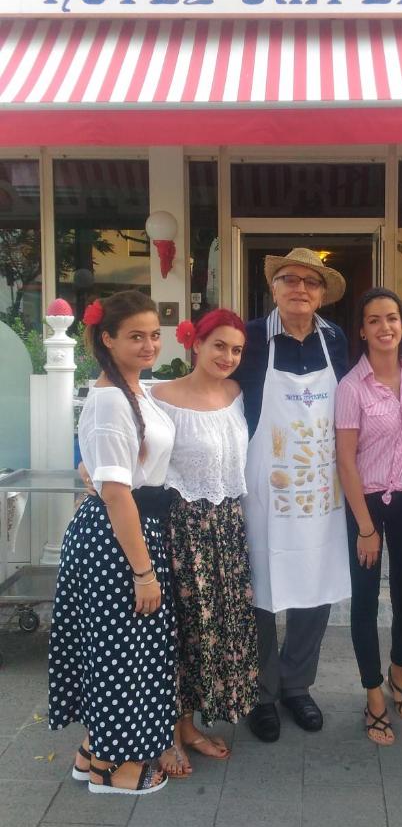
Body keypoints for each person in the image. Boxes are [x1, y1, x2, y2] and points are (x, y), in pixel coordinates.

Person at [49, 291, 177, 796]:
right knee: (120, 652)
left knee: (125, 649)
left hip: (131, 530)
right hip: (118, 539)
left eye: (153, 334)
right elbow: (118, 491)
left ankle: (92, 754)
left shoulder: (135, 390)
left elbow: (101, 468)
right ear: (107, 339)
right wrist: (143, 572)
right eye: (135, 336)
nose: (148, 345)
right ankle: (111, 768)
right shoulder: (108, 399)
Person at [235, 247, 351, 742]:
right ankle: (262, 691)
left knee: (315, 582)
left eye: (310, 281)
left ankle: (297, 685)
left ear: (322, 294)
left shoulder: (337, 340)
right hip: (264, 483)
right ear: (274, 289)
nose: (300, 288)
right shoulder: (248, 337)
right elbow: (211, 389)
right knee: (260, 588)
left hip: (321, 485)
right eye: (289, 279)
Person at [150, 309, 259, 776]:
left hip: (228, 529)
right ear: (196, 343)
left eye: (236, 349)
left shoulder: (237, 395)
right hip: (181, 531)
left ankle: (188, 726)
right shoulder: (158, 396)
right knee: (176, 632)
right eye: (219, 345)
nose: (228, 356)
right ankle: (164, 734)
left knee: (206, 635)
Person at [336, 288, 402, 746]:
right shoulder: (351, 387)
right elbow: (346, 462)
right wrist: (365, 529)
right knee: (366, 600)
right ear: (363, 330)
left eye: (392, 318)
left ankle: (398, 671)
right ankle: (373, 693)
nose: (385, 327)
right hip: (366, 502)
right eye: (374, 320)